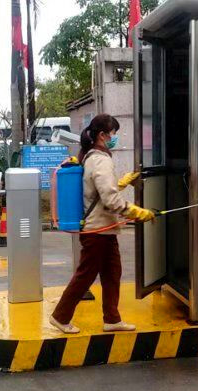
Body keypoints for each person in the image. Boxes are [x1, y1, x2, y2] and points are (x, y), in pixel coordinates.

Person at [50, 114, 155, 334]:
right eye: (113, 133)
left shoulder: (91, 156)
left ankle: (112, 319)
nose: (115, 138)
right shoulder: (100, 159)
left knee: (112, 273)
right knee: (85, 275)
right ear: (102, 135)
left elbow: (98, 191)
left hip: (104, 230)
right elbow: (109, 199)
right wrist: (137, 212)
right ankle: (60, 316)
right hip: (97, 230)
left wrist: (121, 182)